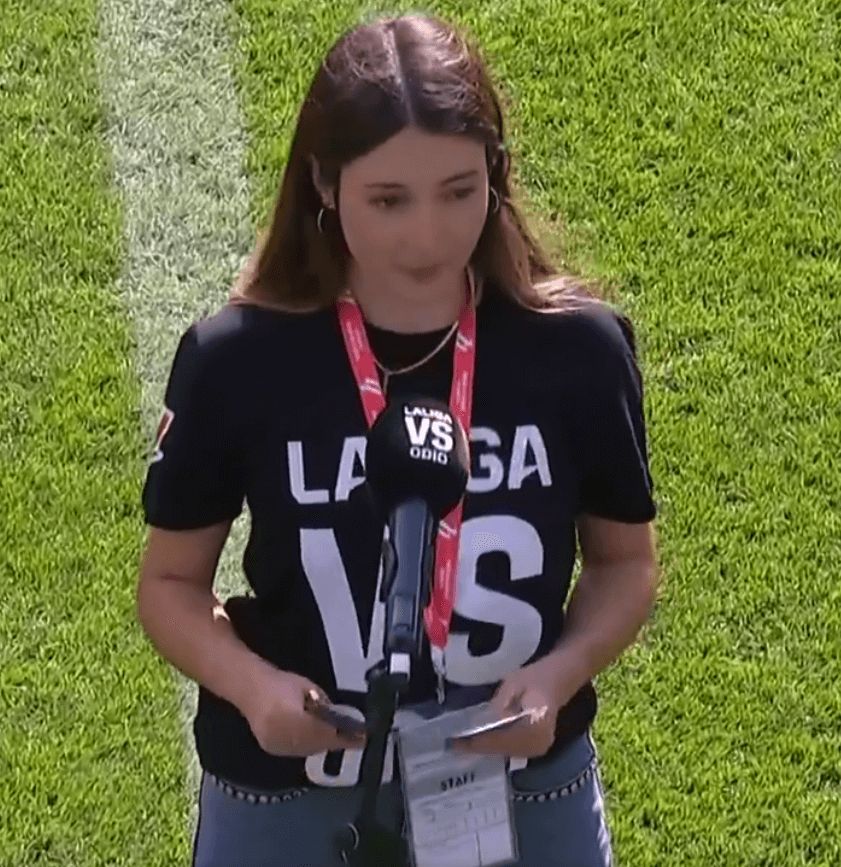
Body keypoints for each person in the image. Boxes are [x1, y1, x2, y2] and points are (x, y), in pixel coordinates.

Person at [137, 12, 658, 867]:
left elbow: (624, 564)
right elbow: (169, 585)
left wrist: (556, 678)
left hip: (519, 786)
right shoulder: (238, 361)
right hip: (290, 788)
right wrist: (253, 687)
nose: (427, 236)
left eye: (459, 190)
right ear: (325, 184)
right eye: (388, 200)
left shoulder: (577, 352)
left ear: (497, 175)